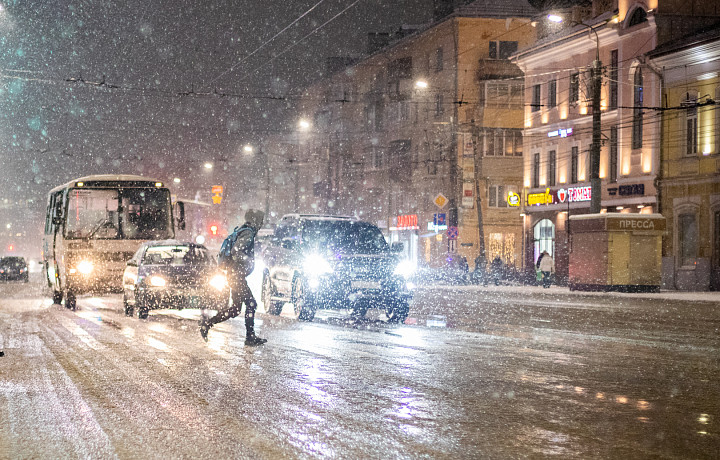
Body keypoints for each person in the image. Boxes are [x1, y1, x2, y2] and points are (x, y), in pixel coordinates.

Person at [199, 209, 267, 346]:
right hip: (236, 276)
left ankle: (207, 324)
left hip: (234, 275)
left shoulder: (243, 230)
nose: (262, 223)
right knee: (251, 303)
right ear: (256, 220)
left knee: (236, 309)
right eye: (261, 220)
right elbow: (236, 250)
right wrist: (246, 260)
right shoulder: (248, 233)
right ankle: (250, 337)